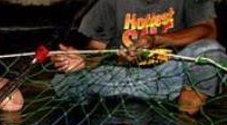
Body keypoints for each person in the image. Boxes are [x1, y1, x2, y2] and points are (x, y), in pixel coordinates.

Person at [50, 0, 227, 115]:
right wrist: (82, 61)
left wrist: (156, 40)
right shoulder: (108, 3)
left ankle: (185, 123)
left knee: (210, 51)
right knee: (64, 80)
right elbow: (97, 51)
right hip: (117, 76)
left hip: (170, 77)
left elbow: (209, 31)